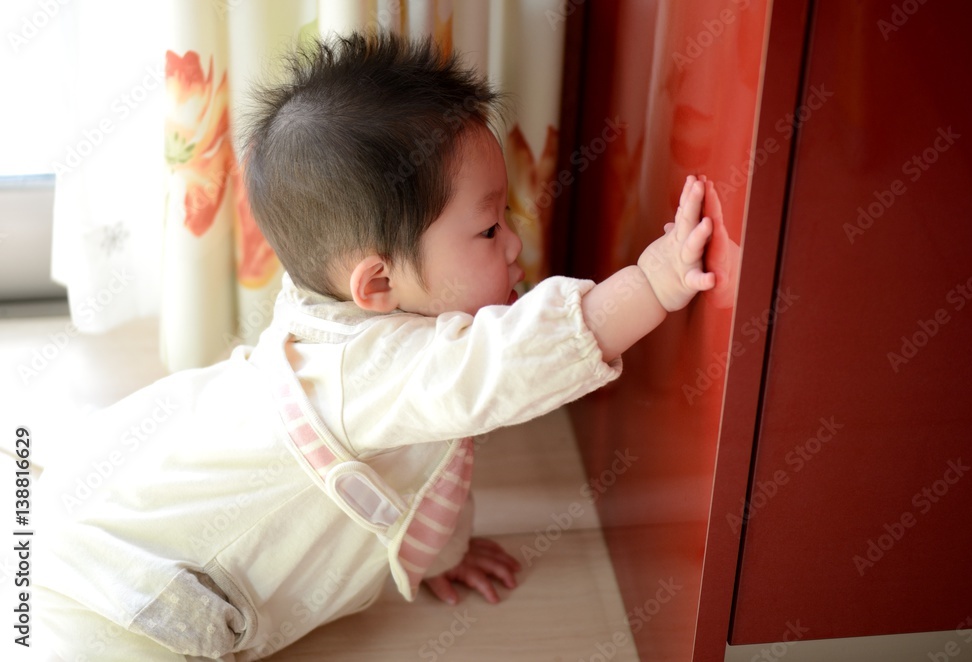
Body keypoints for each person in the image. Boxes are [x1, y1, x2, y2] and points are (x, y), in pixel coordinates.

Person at [34, 30, 716, 661]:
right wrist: (651, 283)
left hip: (114, 520)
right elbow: (506, 363)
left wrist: (441, 554)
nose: (514, 244)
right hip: (120, 591)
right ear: (379, 282)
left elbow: (429, 450)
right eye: (487, 230)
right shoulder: (370, 369)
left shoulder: (341, 314)